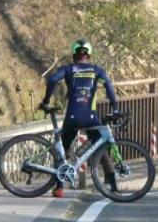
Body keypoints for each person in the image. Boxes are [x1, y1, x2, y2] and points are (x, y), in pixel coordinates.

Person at [40, 38, 119, 197]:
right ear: (89, 54)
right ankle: (112, 183)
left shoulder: (69, 69)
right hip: (90, 117)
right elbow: (109, 86)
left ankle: (59, 187)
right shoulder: (97, 70)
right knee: (101, 147)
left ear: (74, 54)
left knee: (64, 149)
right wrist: (115, 108)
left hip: (72, 116)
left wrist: (47, 101)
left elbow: (53, 80)